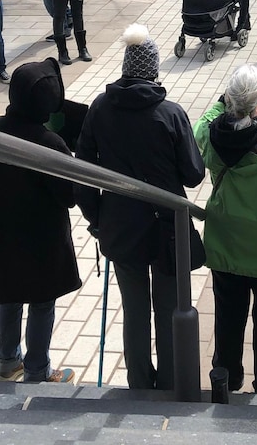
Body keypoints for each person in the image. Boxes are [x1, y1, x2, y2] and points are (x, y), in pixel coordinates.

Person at [75, 24, 207, 391]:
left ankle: (138, 382)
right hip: (166, 227)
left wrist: (97, 218)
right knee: (167, 309)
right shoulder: (171, 113)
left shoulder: (100, 108)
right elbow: (194, 175)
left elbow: (82, 169)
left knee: (134, 310)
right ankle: (168, 382)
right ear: (153, 70)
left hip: (119, 226)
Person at [193, 65, 257, 395]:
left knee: (227, 315)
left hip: (226, 240)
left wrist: (227, 100)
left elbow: (202, 124)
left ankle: (226, 377)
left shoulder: (210, 134)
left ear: (228, 99)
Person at [0, 58, 82, 384]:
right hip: (41, 239)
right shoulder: (50, 143)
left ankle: (8, 360)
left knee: (9, 298)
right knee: (41, 303)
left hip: (2, 232)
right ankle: (38, 369)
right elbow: (68, 196)